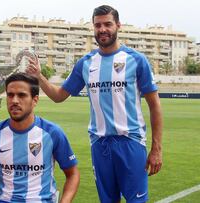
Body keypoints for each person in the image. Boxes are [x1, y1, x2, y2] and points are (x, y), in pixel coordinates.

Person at [26, 5, 163, 203]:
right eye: (98, 25)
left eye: (108, 24)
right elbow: (59, 96)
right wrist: (38, 76)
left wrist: (157, 148)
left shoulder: (136, 60)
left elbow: (155, 106)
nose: (102, 29)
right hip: (100, 145)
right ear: (93, 28)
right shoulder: (86, 63)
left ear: (118, 25)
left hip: (130, 143)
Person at [0, 73, 80, 203]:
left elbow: (72, 174)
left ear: (35, 100)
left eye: (21, 95)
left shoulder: (52, 133)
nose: (14, 100)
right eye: (10, 95)